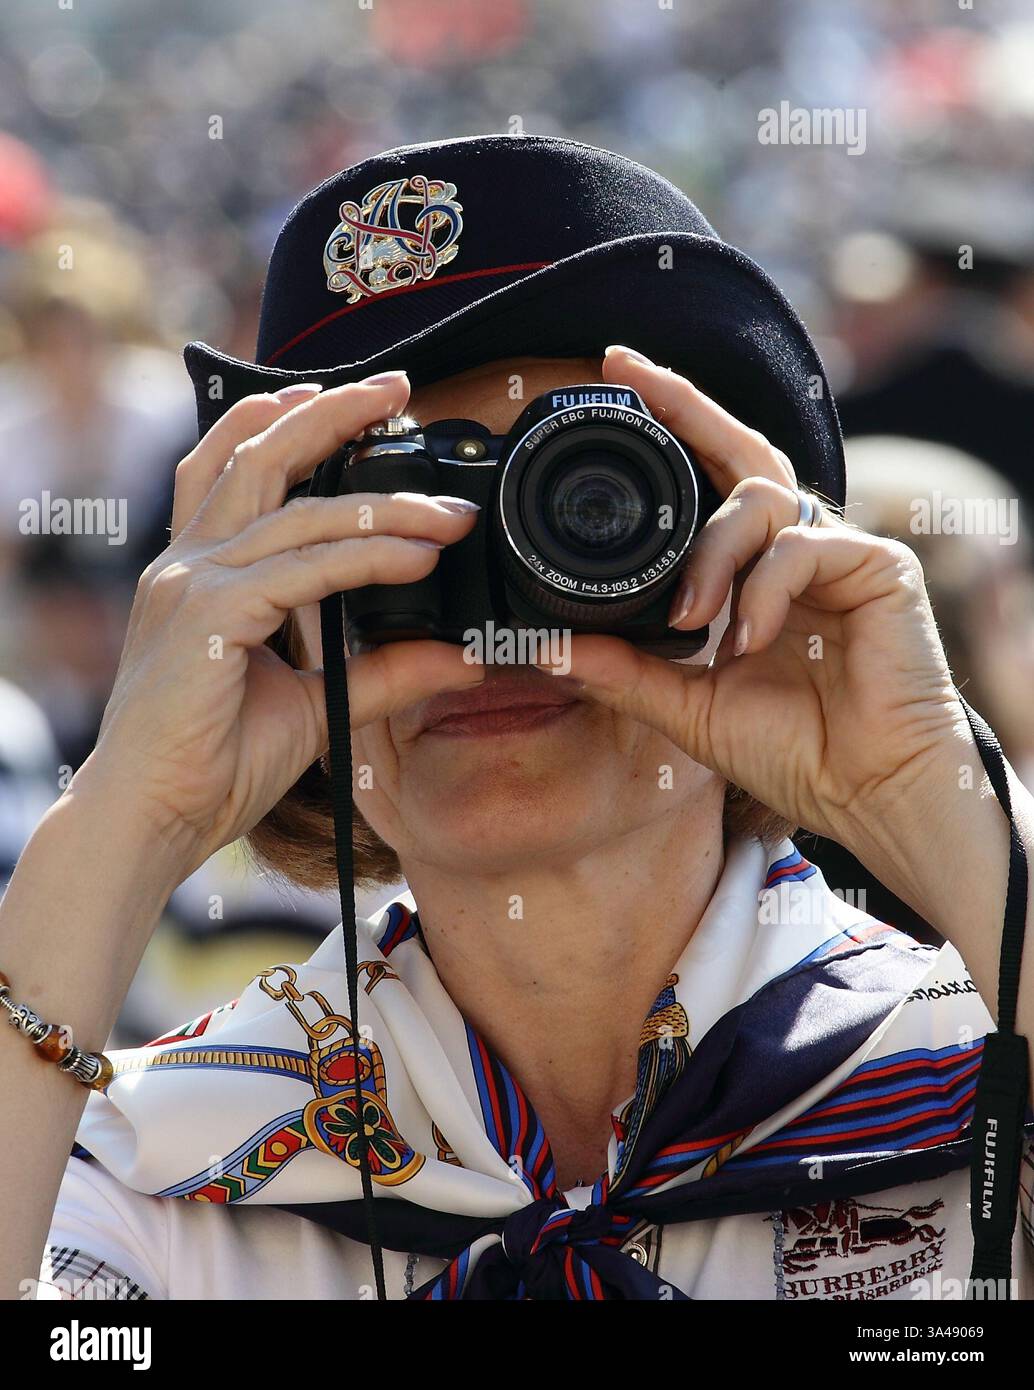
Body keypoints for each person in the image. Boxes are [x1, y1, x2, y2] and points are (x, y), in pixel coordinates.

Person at [2, 135, 1032, 1302]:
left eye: (583, 503)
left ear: (748, 560)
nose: (488, 616)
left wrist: (929, 798)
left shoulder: (966, 1085)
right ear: (280, 618)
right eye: (393, 519)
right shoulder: (167, 1175)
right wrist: (126, 816)